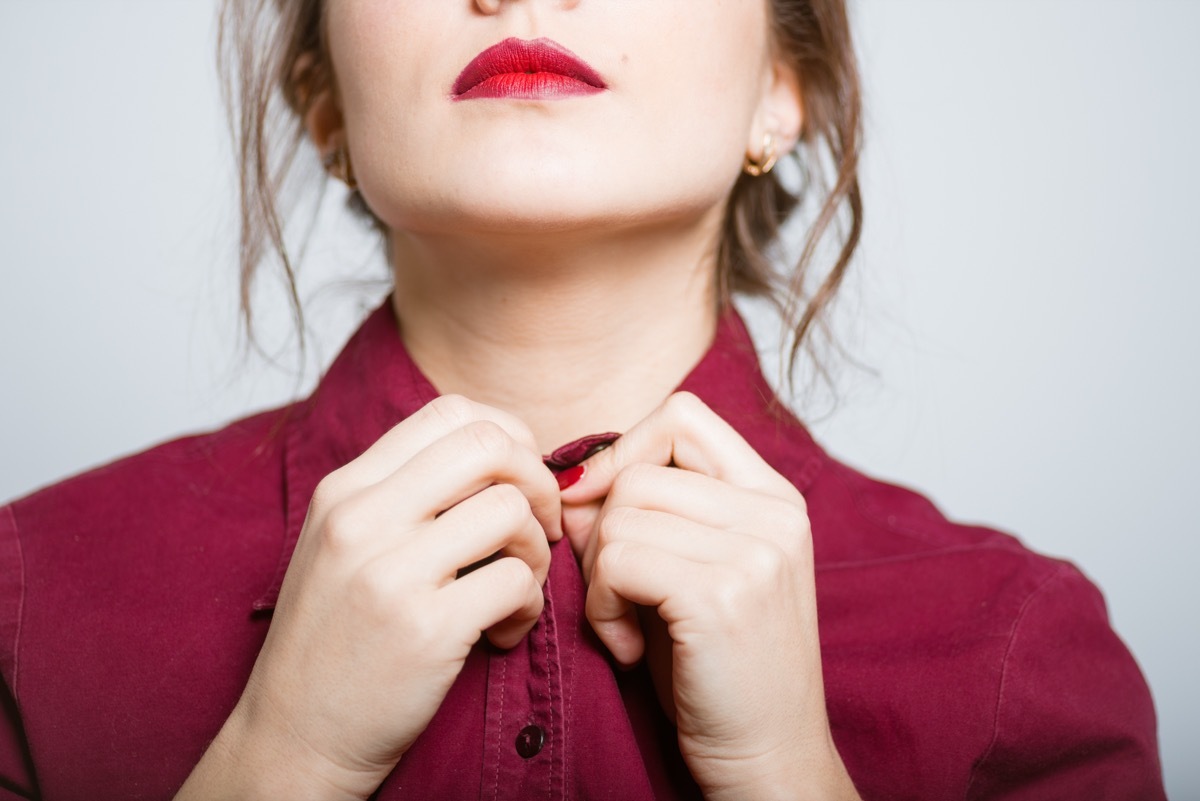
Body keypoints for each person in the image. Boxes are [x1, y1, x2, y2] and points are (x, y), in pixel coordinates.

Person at [0, 0, 1166, 798]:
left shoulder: (1022, 648)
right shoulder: (29, 596)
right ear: (323, 100)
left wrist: (789, 777)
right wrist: (277, 758)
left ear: (787, 82)